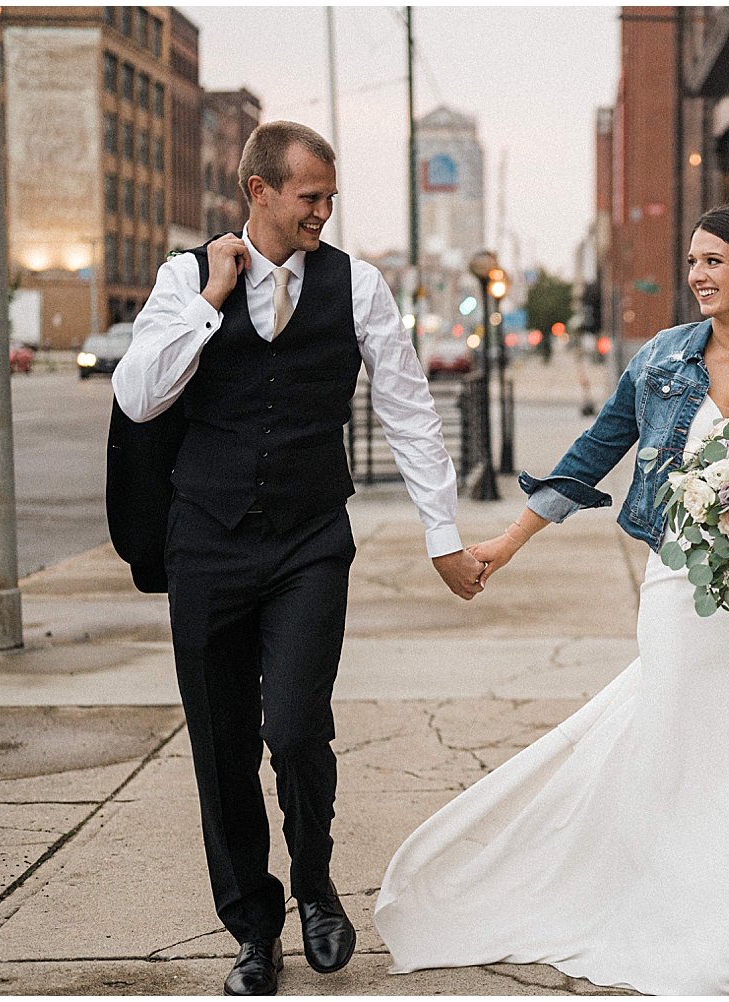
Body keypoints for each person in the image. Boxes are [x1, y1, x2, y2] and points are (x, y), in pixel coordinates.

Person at [375, 205, 729, 996]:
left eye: (714, 261)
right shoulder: (662, 359)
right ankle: (675, 913)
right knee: (683, 755)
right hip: (681, 591)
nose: (696, 274)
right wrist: (507, 542)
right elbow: (594, 452)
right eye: (692, 260)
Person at [112, 120, 485, 997]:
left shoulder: (357, 287)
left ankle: (315, 885)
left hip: (311, 538)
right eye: (311, 196)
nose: (324, 211)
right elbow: (137, 395)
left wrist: (442, 536)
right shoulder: (182, 277)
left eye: (331, 197)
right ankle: (253, 926)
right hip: (205, 539)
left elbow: (409, 410)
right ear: (259, 192)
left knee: (294, 727)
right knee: (224, 745)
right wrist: (210, 297)